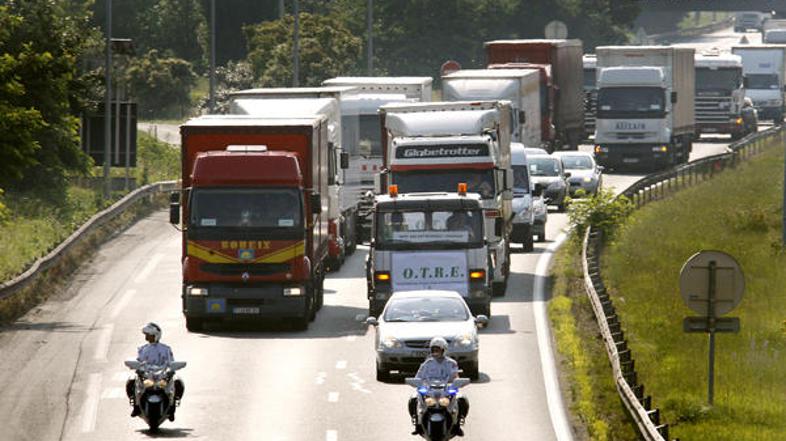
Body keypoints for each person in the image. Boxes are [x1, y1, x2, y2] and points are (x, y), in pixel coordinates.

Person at [408, 337, 469, 437]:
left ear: (444, 350)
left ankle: (458, 424)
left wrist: (457, 383)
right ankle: (417, 424)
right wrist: (416, 383)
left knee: (462, 399)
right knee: (413, 398)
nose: (435, 352)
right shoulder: (427, 364)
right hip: (430, 390)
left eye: (438, 350)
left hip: (446, 390)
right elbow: (418, 377)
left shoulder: (451, 363)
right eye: (433, 350)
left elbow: (455, 377)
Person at [126, 323, 185, 421]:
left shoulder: (165, 349)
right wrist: (137, 368)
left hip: (161, 375)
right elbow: (139, 362)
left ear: (155, 335)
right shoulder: (142, 349)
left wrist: (171, 370)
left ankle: (172, 407)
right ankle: (136, 406)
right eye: (146, 334)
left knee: (177, 382)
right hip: (147, 375)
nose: (146, 337)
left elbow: (171, 362)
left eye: (148, 334)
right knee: (131, 382)